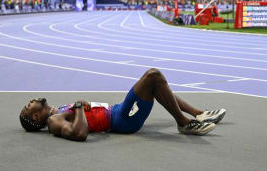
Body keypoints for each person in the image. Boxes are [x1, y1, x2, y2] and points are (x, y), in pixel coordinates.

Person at [19, 68, 226, 141]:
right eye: (28, 107)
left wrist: (80, 108)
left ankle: (199, 113)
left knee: (154, 84)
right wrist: (80, 107)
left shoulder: (58, 111)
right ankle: (183, 123)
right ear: (36, 118)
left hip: (118, 110)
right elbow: (79, 134)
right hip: (122, 120)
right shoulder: (54, 120)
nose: (30, 101)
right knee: (153, 75)